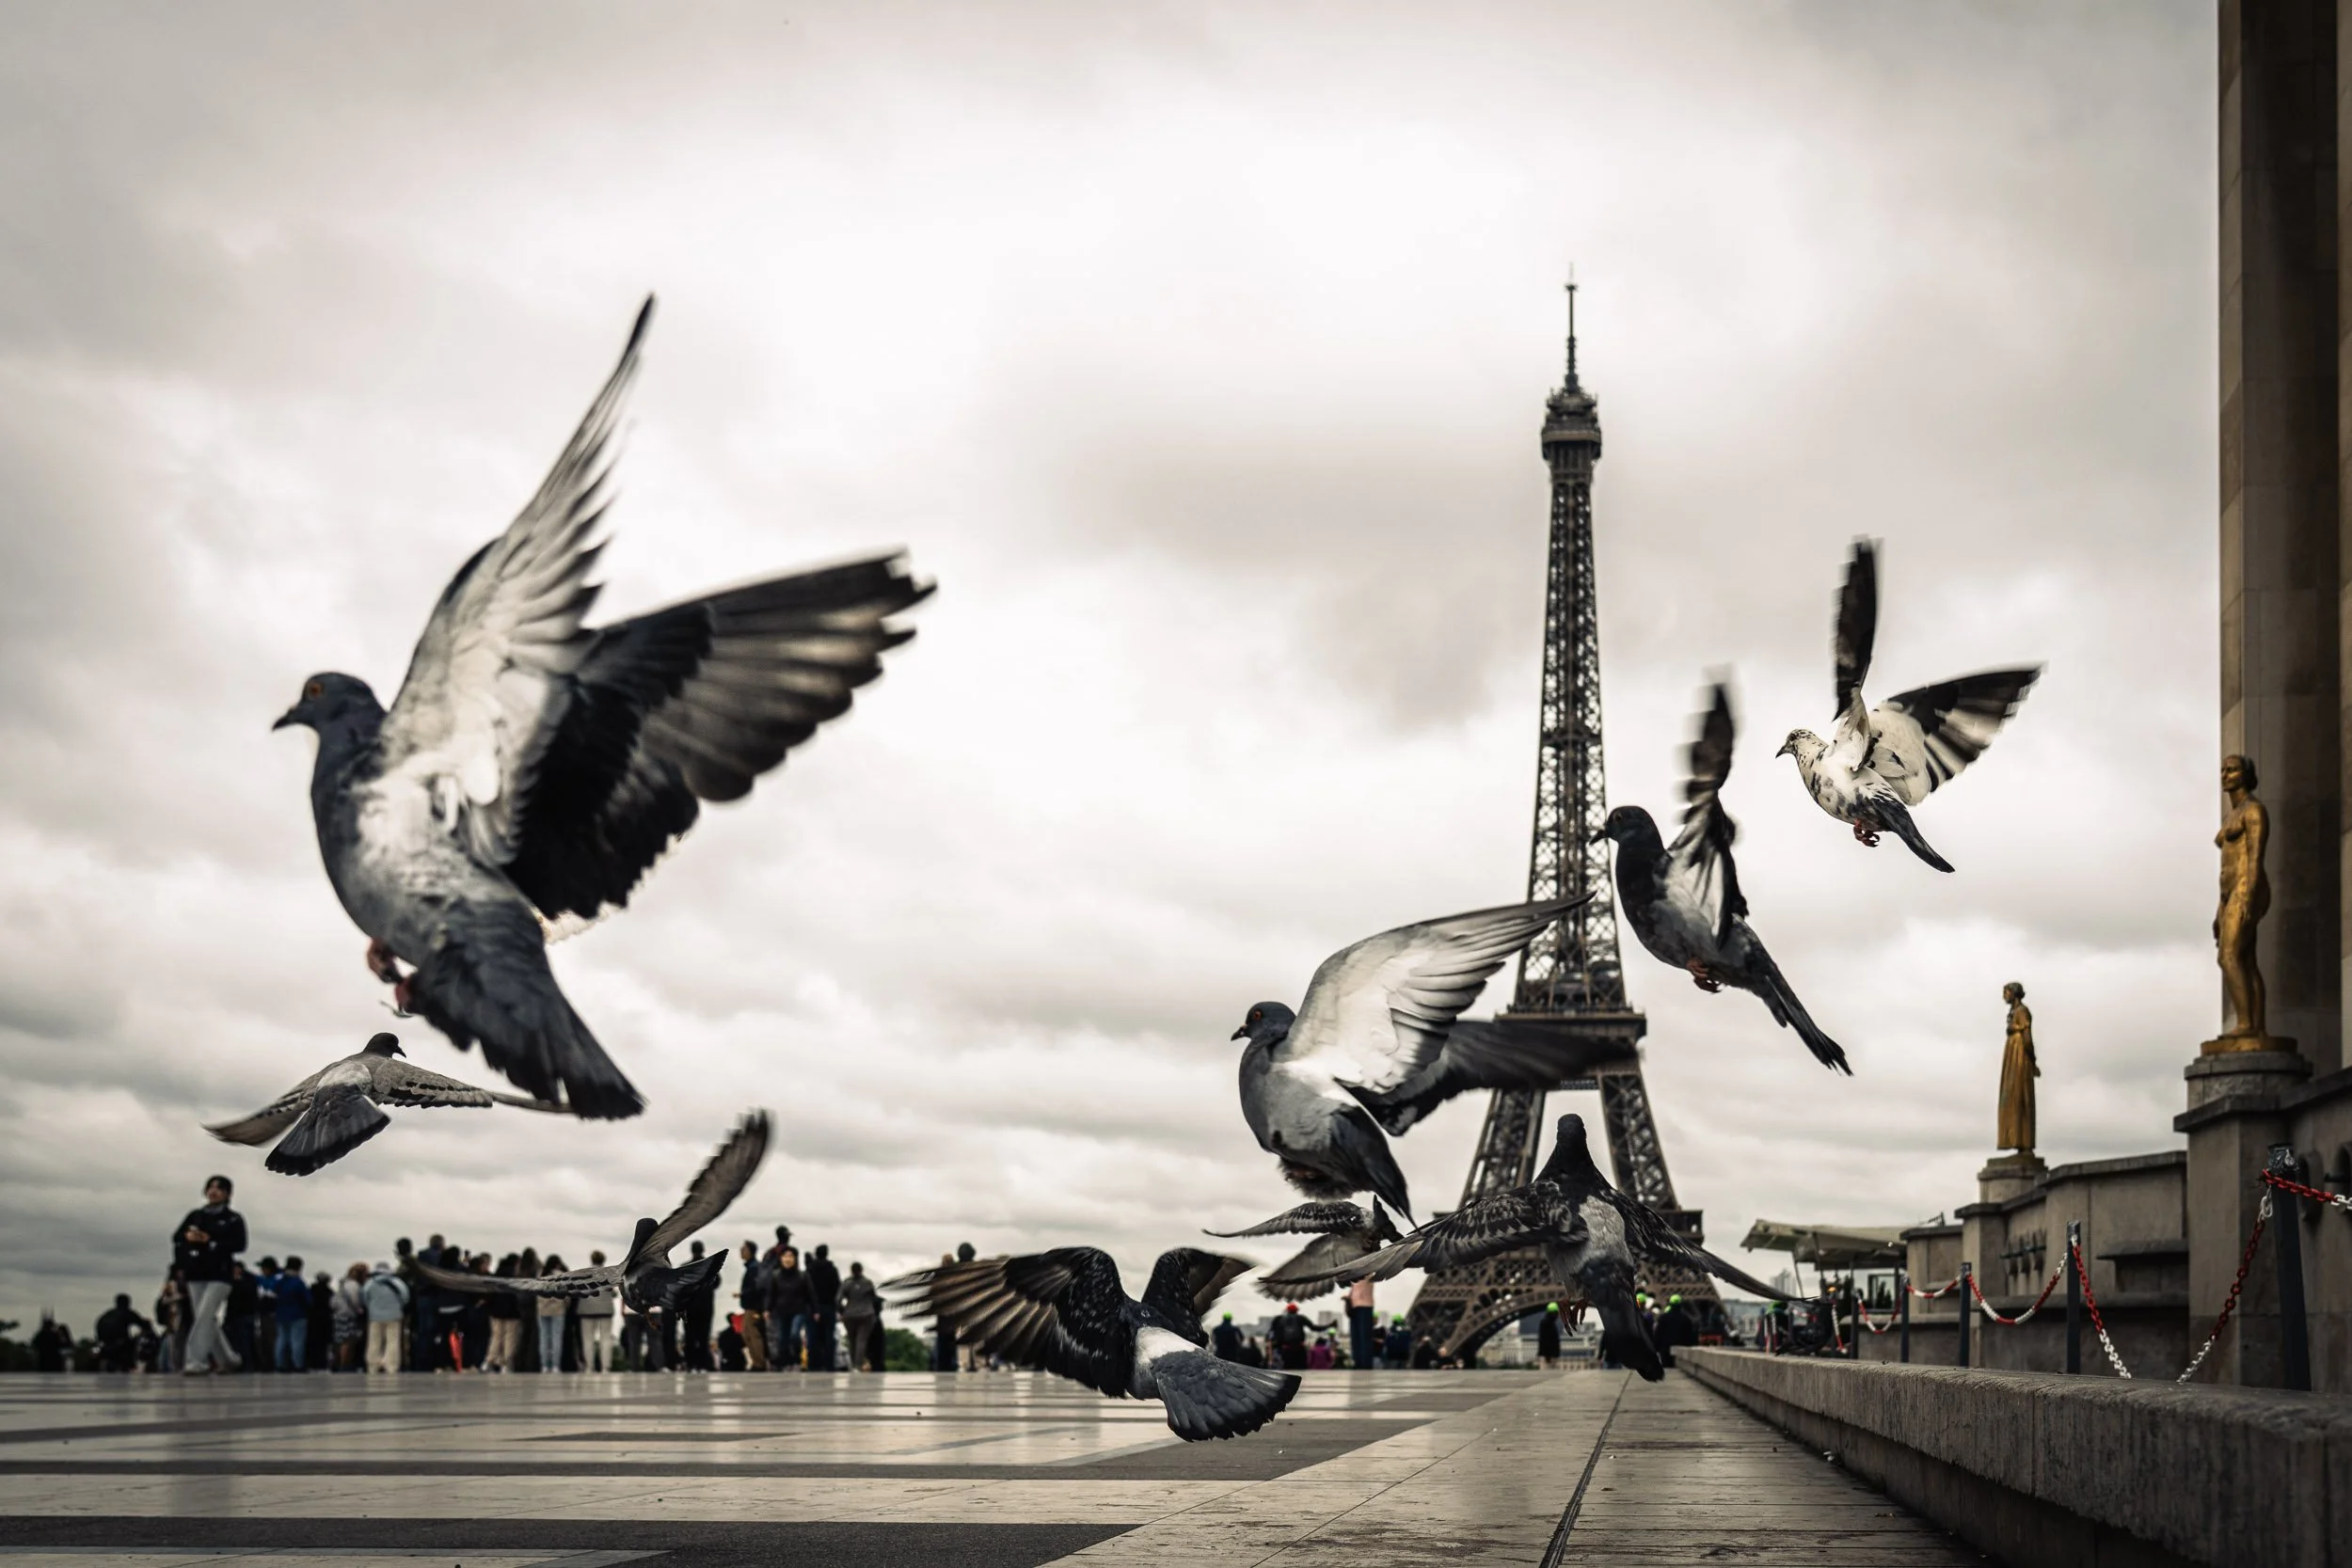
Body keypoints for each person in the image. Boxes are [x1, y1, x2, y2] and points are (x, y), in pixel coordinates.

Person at [172, 1175, 247, 1375]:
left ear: (227, 1194)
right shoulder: (195, 1216)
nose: (214, 1192)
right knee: (205, 1319)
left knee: (204, 1316)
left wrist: (210, 1241)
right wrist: (187, 1243)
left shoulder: (233, 1219)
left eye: (219, 1188)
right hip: (195, 1273)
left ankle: (196, 1361)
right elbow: (177, 1238)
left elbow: (240, 1244)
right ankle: (228, 1359)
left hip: (219, 1275)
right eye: (211, 1188)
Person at [764, 1246, 812, 1370]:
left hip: (798, 1310)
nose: (788, 1259)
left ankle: (797, 1359)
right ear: (781, 1259)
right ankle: (785, 1362)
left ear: (795, 1259)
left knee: (794, 1334)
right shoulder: (776, 1275)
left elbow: (810, 1294)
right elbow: (771, 1294)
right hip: (781, 1311)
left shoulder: (802, 1276)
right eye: (785, 1256)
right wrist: (767, 1309)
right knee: (781, 1338)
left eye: (790, 1256)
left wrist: (815, 1310)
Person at [361, 1260, 409, 1373]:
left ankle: (373, 1366)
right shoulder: (398, 1283)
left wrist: (372, 1308)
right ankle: (391, 1366)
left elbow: (364, 1298)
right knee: (393, 1341)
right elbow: (405, 1297)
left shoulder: (370, 1284)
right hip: (394, 1316)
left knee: (374, 1341)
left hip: (375, 1317)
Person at [577, 1252, 616, 1371]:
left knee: (588, 1339)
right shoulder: (609, 1274)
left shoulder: (583, 1274)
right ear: (603, 1260)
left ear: (592, 1259)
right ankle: (605, 1367)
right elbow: (613, 1292)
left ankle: (589, 1367)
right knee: (606, 1338)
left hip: (586, 1309)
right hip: (605, 1309)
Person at [679, 1242, 716, 1371]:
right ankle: (703, 1364)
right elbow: (717, 1283)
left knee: (690, 1337)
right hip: (706, 1307)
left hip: (689, 1307)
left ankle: (691, 1364)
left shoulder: (685, 1267)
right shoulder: (711, 1266)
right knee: (703, 1337)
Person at [271, 1256, 311, 1371]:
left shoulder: (280, 1281)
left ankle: (280, 1364)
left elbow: (273, 1292)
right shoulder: (298, 1282)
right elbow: (308, 1299)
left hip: (281, 1313)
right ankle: (298, 1364)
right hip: (298, 1314)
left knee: (281, 1339)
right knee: (297, 1340)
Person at [839, 1260, 881, 1373]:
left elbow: (838, 1300)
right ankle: (858, 1365)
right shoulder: (868, 1283)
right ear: (861, 1270)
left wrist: (842, 1311)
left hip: (850, 1314)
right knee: (861, 1340)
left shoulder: (846, 1283)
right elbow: (874, 1298)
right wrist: (875, 1312)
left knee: (852, 1340)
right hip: (866, 1314)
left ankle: (853, 1365)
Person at [805, 1243, 841, 1372]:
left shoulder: (810, 1269)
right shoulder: (832, 1269)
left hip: (812, 1307)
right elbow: (837, 1288)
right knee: (829, 1337)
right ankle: (829, 1364)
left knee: (813, 1336)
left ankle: (813, 1364)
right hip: (828, 1306)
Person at [736, 1241, 770, 1371]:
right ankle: (757, 1361)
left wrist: (743, 1294)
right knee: (747, 1334)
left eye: (744, 1249)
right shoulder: (752, 1267)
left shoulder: (754, 1268)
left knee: (752, 1334)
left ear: (750, 1251)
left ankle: (759, 1363)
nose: (741, 1251)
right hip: (750, 1307)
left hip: (753, 1307)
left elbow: (756, 1288)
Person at [485, 1255, 522, 1371]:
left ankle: (490, 1360)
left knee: (496, 1336)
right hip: (511, 1312)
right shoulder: (514, 1278)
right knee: (510, 1338)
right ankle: (506, 1362)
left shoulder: (496, 1276)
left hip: (496, 1312)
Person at [535, 1256, 570, 1372]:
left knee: (544, 1338)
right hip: (557, 1310)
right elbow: (566, 1294)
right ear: (558, 1264)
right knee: (556, 1337)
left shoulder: (540, 1275)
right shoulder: (560, 1275)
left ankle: (544, 1365)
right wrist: (566, 1305)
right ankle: (555, 1365)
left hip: (542, 1310)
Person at [95, 1294, 148, 1373]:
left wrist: (100, 1340)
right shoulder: (127, 1313)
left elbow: (98, 1325)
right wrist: (146, 1326)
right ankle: (130, 1367)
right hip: (120, 1344)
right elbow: (141, 1323)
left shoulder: (107, 1314)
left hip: (105, 1344)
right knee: (130, 1346)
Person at [225, 1260, 261, 1372]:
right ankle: (247, 1364)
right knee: (244, 1341)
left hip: (241, 1314)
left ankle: (246, 1365)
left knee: (243, 1341)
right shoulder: (251, 1280)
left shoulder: (241, 1281)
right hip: (242, 1314)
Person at [333, 1264, 367, 1370]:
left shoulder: (342, 1284)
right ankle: (345, 1364)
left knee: (340, 1340)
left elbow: (334, 1301)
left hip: (339, 1314)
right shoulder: (354, 1286)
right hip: (349, 1315)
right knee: (348, 1341)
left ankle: (338, 1363)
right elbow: (356, 1302)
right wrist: (360, 1310)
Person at [154, 1272, 189, 1373]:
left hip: (173, 1324)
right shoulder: (183, 1293)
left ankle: (176, 1367)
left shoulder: (167, 1294)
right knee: (176, 1346)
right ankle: (178, 1366)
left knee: (174, 1346)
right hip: (176, 1323)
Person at [1655, 1294, 1699, 1369]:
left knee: (1667, 1369)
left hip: (1665, 1349)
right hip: (1681, 1349)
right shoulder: (1686, 1319)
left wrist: (1656, 1347)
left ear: (1670, 1304)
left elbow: (1658, 1333)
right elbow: (1690, 1335)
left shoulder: (1663, 1318)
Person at [1347, 1277, 1378, 1372]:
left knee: (1365, 1337)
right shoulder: (1353, 1276)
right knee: (1355, 1338)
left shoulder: (1367, 1273)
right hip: (1354, 1307)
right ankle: (1357, 1363)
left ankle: (1366, 1364)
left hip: (1365, 1306)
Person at [1269, 1303, 1309, 1370]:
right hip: (1299, 1349)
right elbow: (1314, 1327)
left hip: (1286, 1349)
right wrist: (1327, 1326)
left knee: (1288, 1369)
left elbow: (1274, 1333)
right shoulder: (1300, 1318)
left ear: (1287, 1311)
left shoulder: (1280, 1319)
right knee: (1301, 1369)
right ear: (1296, 1311)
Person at [1537, 1302, 1563, 1370]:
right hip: (1549, 1356)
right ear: (1552, 1313)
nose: (1558, 1315)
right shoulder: (1546, 1323)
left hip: (1550, 1355)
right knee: (1547, 1371)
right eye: (1557, 1313)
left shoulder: (1550, 1323)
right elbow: (1544, 1340)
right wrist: (1547, 1355)